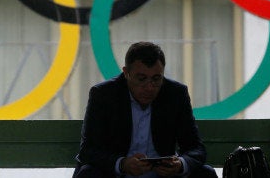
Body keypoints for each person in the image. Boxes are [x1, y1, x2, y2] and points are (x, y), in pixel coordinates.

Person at [73, 41, 217, 178]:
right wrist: (122, 164)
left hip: (162, 175)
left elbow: (196, 148)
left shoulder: (175, 94)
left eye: (156, 79)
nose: (149, 87)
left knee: (206, 173)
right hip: (116, 174)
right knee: (89, 174)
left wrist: (180, 164)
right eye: (141, 79)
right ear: (126, 73)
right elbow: (88, 150)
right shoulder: (104, 94)